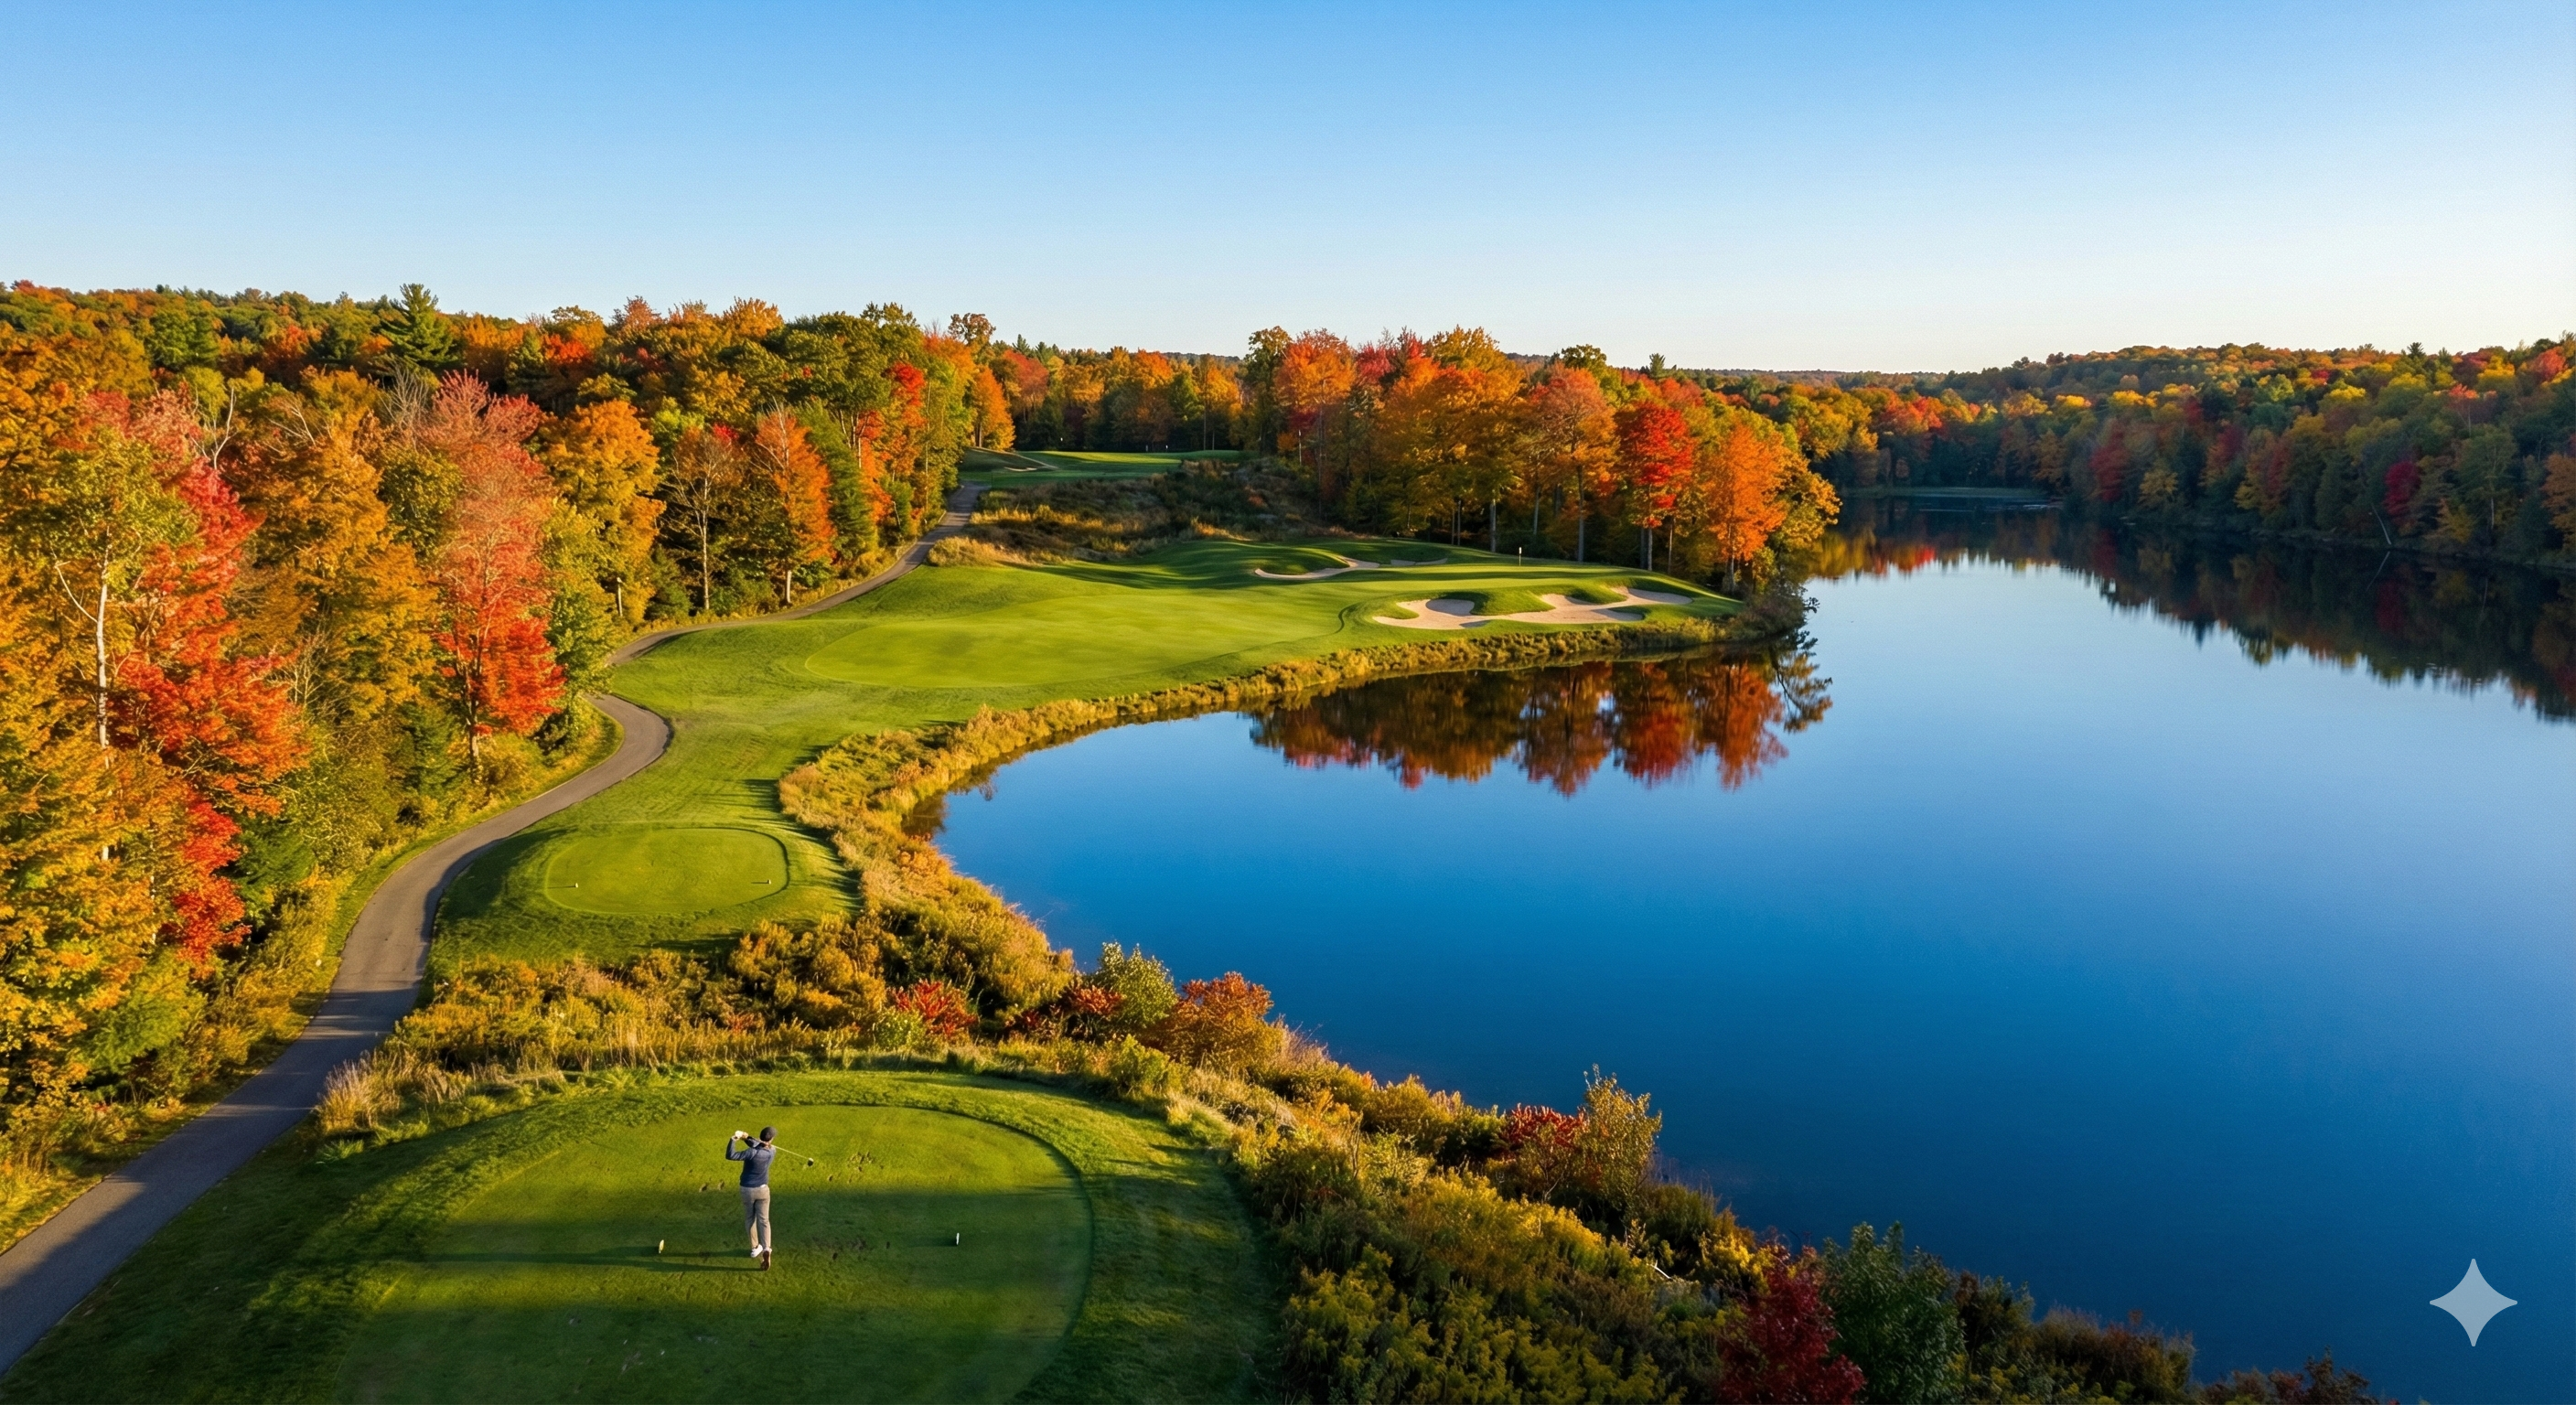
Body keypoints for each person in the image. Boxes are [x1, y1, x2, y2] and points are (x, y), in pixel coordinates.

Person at [726, 1126, 778, 1268]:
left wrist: (733, 1139)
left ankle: (755, 1248)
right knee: (764, 1220)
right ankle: (766, 1248)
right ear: (771, 1139)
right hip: (763, 1190)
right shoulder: (772, 1151)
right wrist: (746, 1137)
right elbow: (757, 1144)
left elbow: (731, 1155)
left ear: (761, 1137)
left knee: (750, 1218)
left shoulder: (751, 1152)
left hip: (747, 1190)